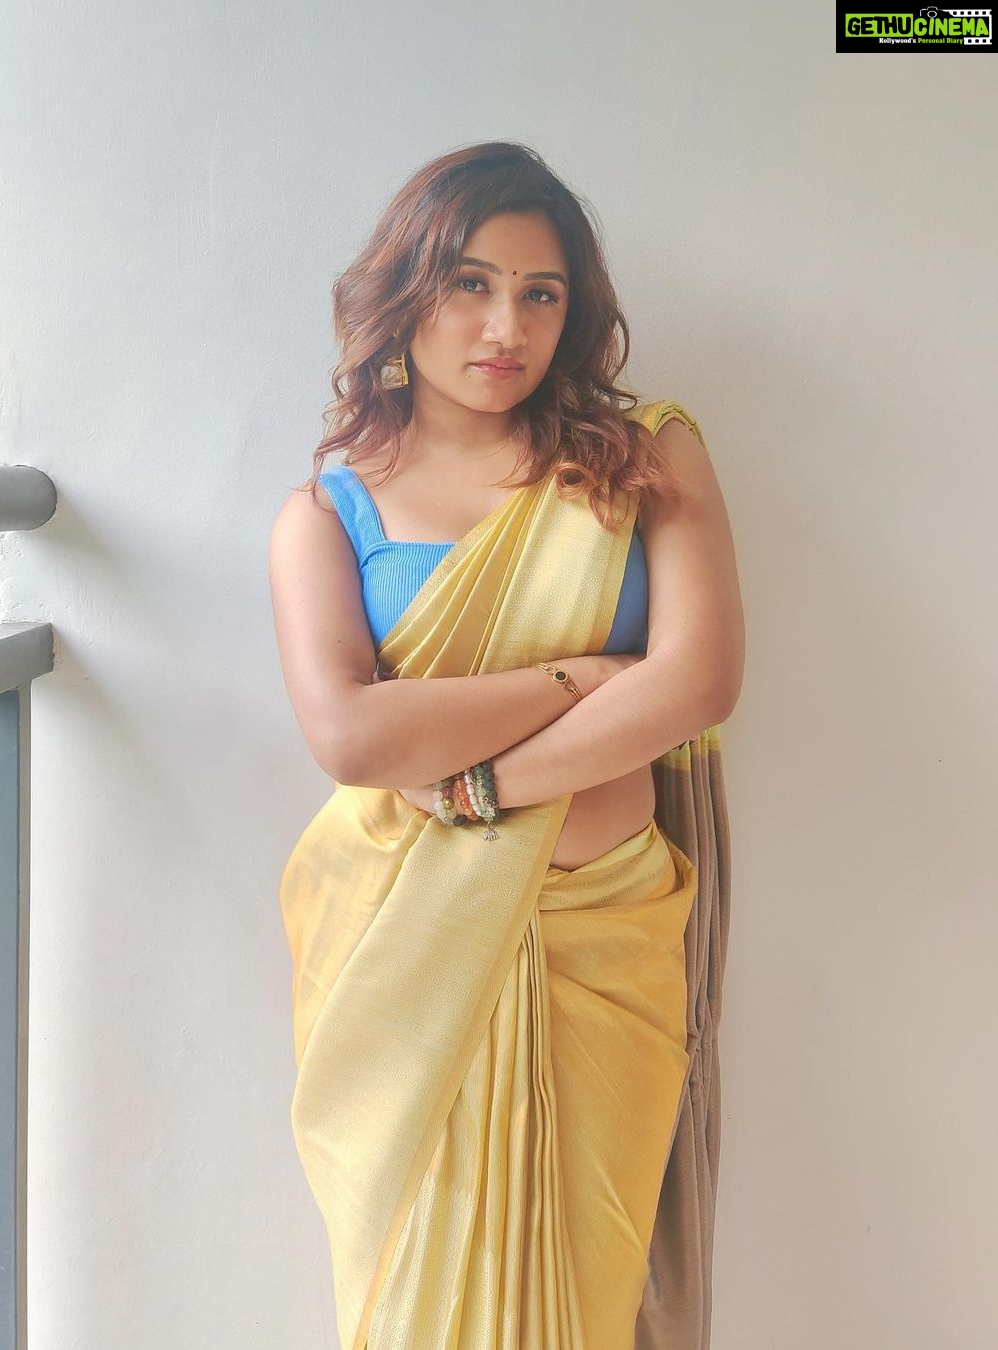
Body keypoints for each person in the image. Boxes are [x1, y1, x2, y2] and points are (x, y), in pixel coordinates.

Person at [268, 140, 745, 1350]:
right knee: (420, 1292)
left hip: (607, 942)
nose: (506, 326)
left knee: (600, 1288)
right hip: (402, 947)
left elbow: (698, 680)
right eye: (471, 284)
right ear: (405, 294)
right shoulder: (326, 513)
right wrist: (581, 679)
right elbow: (351, 735)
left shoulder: (646, 459)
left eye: (542, 294)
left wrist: (484, 783)